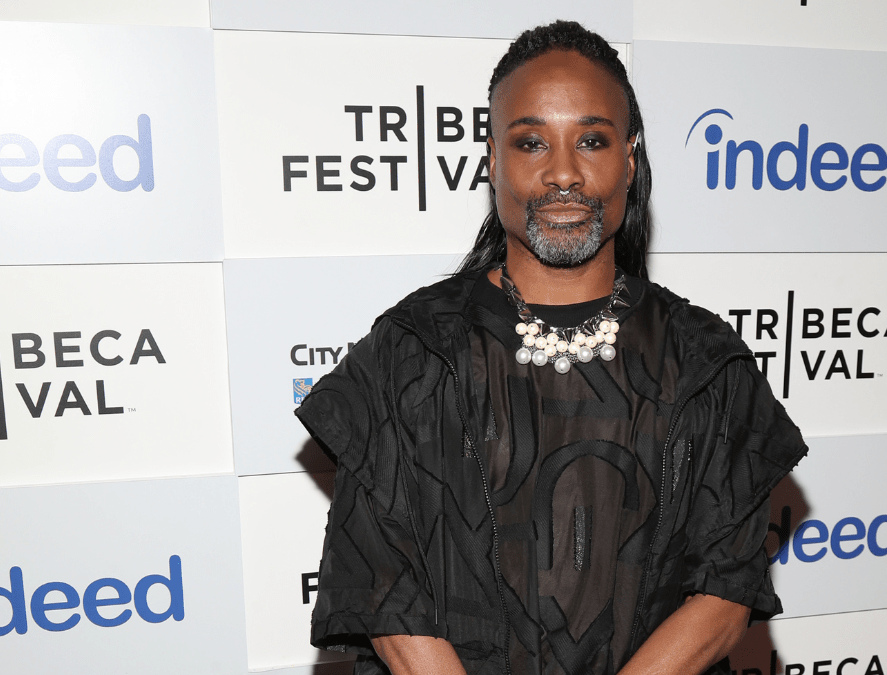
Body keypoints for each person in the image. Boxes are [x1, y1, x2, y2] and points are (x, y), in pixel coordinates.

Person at [295, 20, 808, 675]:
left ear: (629, 158)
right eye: (531, 141)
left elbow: (724, 591)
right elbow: (388, 592)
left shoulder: (705, 362)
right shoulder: (415, 350)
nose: (563, 172)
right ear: (492, 160)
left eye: (591, 140)